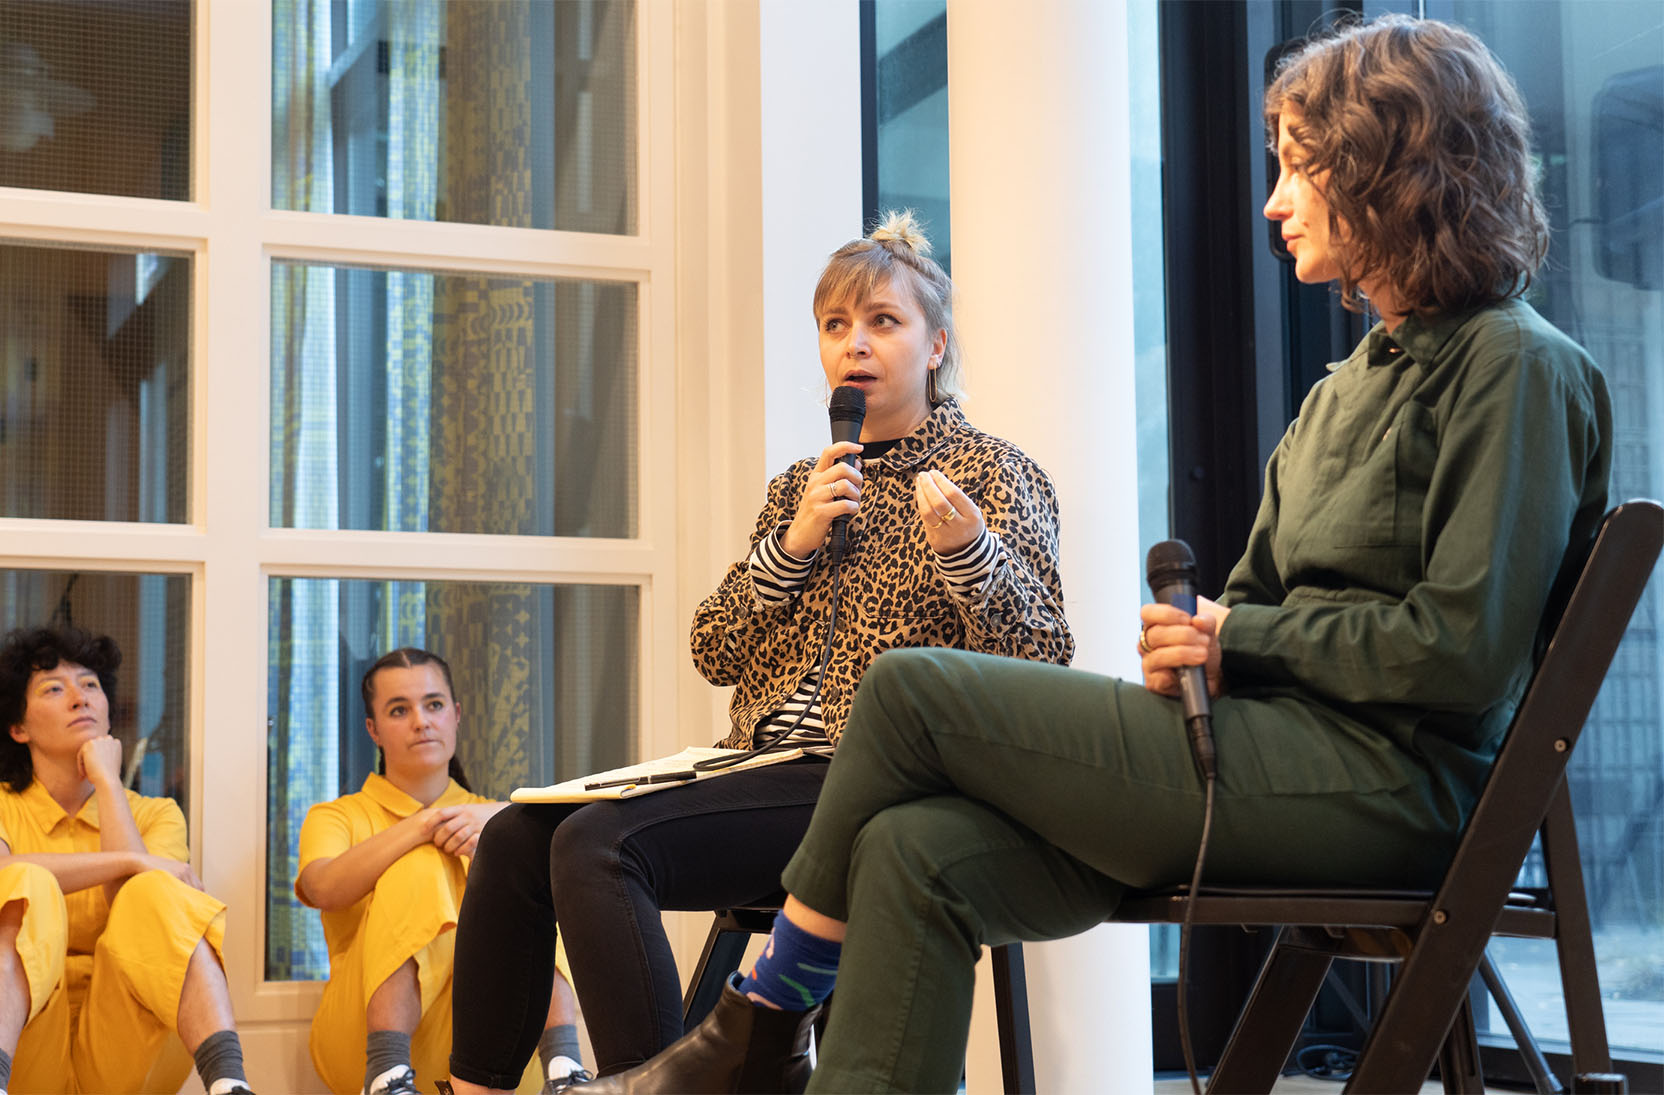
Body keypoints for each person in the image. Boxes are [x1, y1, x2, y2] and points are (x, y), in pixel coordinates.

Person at [598, 15, 1614, 1094]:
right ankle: (766, 1038)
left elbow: (1463, 651)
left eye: (1298, 168)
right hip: (1268, 754)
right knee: (910, 852)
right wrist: (1202, 642)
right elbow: (1253, 613)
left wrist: (1242, 636)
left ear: (1385, 167)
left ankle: (760, 1022)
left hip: (1386, 792)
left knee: (908, 693)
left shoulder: (1517, 369)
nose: (1274, 201)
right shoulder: (1342, 389)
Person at [445, 212, 1074, 1093]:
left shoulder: (996, 473)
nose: (855, 344)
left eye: (883, 322)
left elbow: (1045, 661)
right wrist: (793, 545)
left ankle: (651, 1083)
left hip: (879, 780)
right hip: (755, 766)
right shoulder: (801, 486)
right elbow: (714, 647)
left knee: (598, 845)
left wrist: (971, 554)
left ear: (935, 347)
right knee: (516, 835)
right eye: (835, 326)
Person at [0, 626, 253, 1095]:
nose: (80, 698)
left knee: (154, 892)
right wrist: (135, 861)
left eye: (90, 685)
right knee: (25, 883)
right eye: (54, 689)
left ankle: (230, 1084)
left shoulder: (155, 814)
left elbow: (139, 909)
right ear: (18, 728)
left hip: (121, 1050)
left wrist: (110, 784)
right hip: (12, 1049)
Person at [296, 648, 586, 1095]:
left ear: (455, 714)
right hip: (361, 1042)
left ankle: (565, 1068)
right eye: (399, 710)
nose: (420, 721)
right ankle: (387, 1073)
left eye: (433, 705)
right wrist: (423, 825)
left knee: (535, 875)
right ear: (373, 730)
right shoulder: (337, 816)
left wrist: (500, 817)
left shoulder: (497, 816)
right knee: (420, 862)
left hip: (500, 1048)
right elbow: (322, 888)